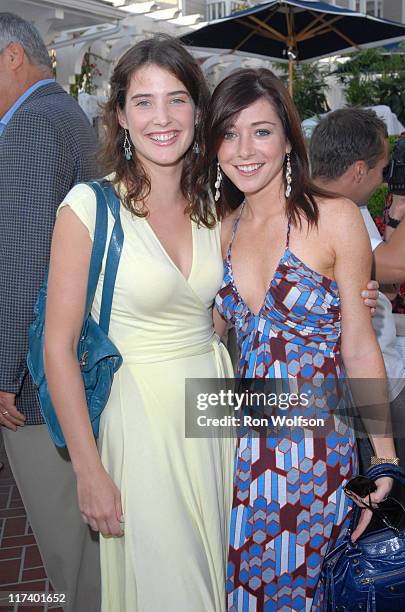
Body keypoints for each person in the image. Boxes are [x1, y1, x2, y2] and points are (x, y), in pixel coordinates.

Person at [44, 36, 235, 612]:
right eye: (144, 102)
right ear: (121, 116)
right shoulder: (88, 207)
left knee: (220, 574)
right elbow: (58, 345)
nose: (162, 117)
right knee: (175, 590)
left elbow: (224, 318)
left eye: (177, 100)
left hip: (214, 408)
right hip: (142, 419)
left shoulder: (217, 205)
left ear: (198, 113)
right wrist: (89, 471)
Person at [207, 68, 396, 611]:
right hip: (236, 451)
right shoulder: (220, 228)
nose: (245, 149)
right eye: (229, 132)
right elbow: (210, 342)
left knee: (309, 595)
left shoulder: (336, 219)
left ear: (289, 139)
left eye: (262, 131)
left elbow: (360, 349)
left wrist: (385, 464)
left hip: (314, 457)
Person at [0, 13, 100, 610]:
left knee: (68, 545)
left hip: (37, 376)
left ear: (12, 56)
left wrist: (6, 370)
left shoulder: (31, 125)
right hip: (60, 359)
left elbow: (27, 258)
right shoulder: (62, 114)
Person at [310, 108, 405, 502]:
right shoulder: (325, 210)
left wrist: (397, 215)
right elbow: (403, 264)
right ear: (359, 170)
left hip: (388, 372)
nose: (385, 178)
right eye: (383, 170)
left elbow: (386, 280)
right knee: (397, 505)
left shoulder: (348, 204)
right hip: (364, 387)